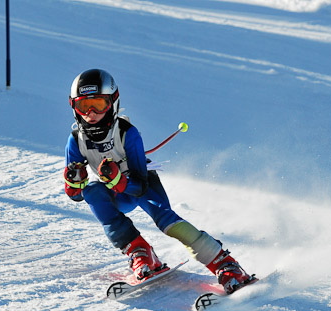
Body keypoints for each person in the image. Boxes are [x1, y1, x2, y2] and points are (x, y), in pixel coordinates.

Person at [63, 68, 253, 293]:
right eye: (84, 106)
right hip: (117, 192)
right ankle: (141, 253)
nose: (91, 113)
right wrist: (75, 181)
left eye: (98, 104)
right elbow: (76, 195)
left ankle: (225, 263)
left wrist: (117, 181)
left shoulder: (126, 133)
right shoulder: (76, 140)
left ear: (113, 102)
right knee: (93, 191)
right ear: (73, 106)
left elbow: (140, 185)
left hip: (141, 186)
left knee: (167, 222)